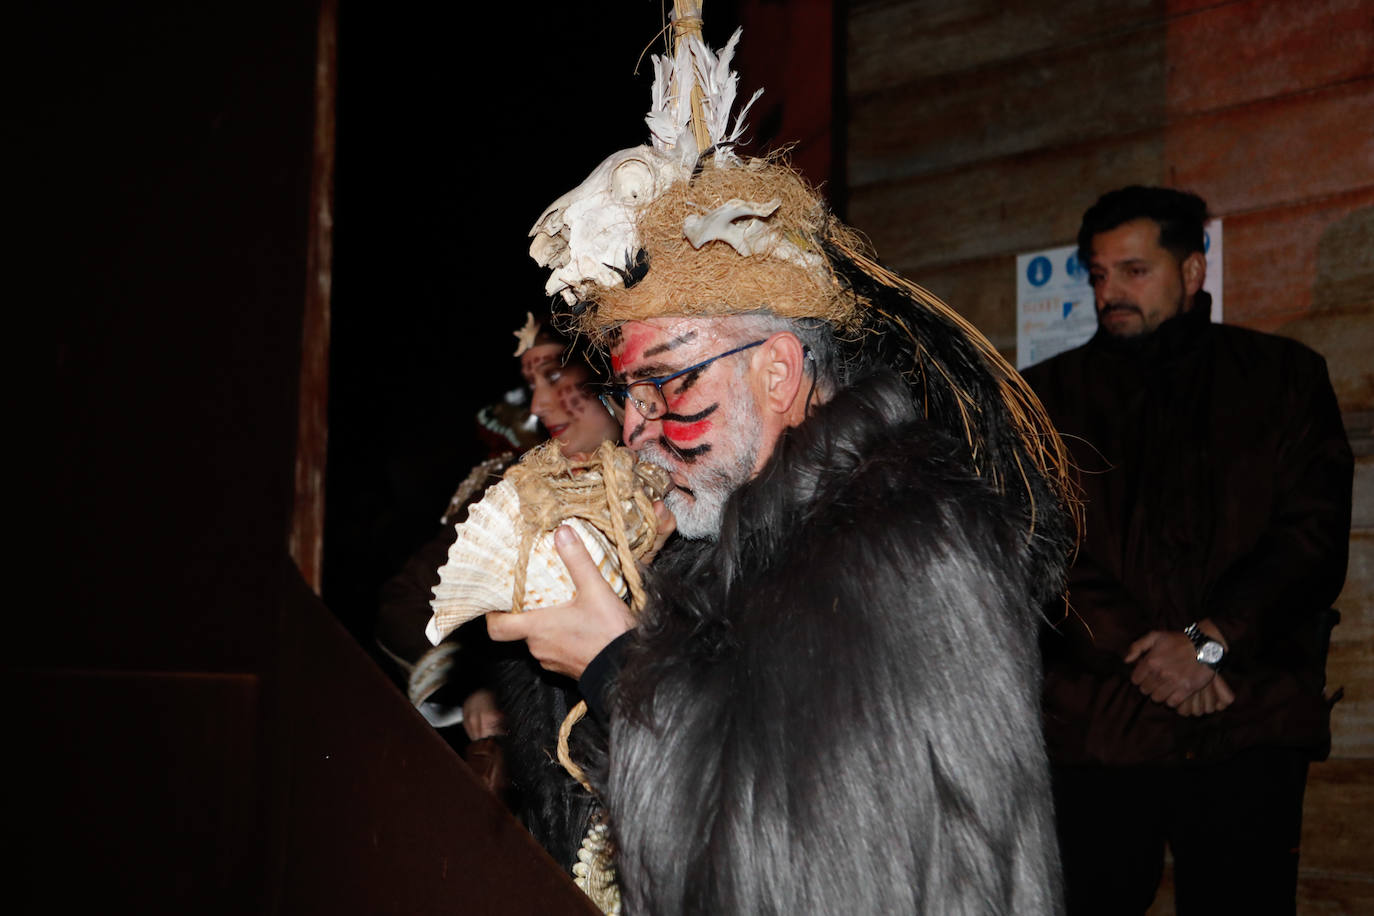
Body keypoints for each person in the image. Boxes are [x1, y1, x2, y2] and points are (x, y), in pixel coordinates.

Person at [484, 27, 1079, 913]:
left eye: (669, 381)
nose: (637, 429)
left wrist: (613, 667)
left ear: (779, 370)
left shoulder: (901, 550)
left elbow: (796, 880)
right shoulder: (734, 542)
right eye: (629, 389)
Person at [1022, 186, 1354, 915]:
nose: (1111, 292)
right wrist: (1153, 654)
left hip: (1245, 721)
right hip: (1100, 729)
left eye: (1135, 271)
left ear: (1194, 272)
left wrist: (1211, 641)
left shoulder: (1284, 380)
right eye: (1099, 273)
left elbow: (1312, 539)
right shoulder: (1043, 400)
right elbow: (1039, 548)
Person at [374, 311, 620, 760]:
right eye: (532, 387)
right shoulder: (515, 489)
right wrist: (478, 686)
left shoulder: (679, 479)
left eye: (554, 377)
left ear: (607, 371)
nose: (537, 406)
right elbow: (406, 602)